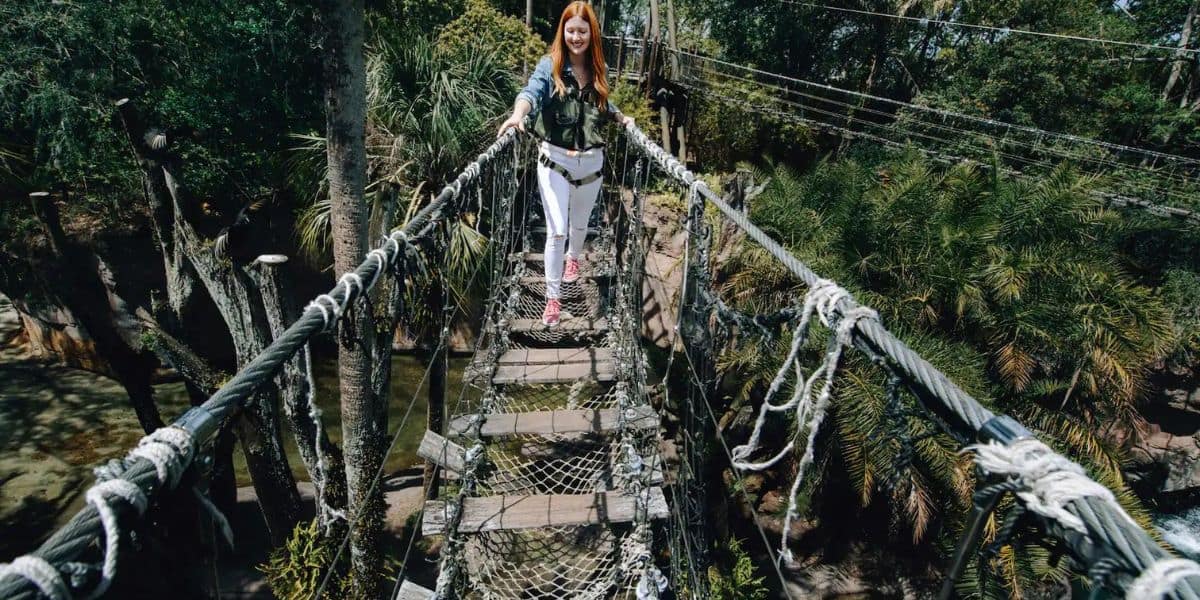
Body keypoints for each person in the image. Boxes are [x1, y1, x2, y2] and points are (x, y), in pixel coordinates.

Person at [498, 1, 634, 327]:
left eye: (582, 31)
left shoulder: (597, 68)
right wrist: (518, 115)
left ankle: (574, 258)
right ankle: (553, 299)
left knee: (579, 228)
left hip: (591, 164)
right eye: (570, 30)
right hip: (554, 159)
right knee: (556, 231)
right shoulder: (551, 66)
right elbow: (531, 92)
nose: (576, 37)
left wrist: (619, 116)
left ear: (591, 34)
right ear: (563, 32)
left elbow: (600, 102)